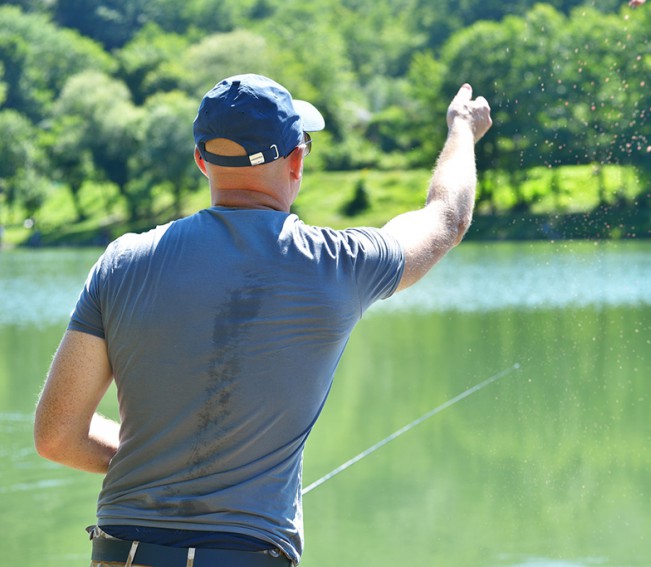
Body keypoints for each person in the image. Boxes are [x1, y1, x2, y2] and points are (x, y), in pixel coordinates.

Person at [33, 73, 492, 567]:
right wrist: (462, 129)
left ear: (201, 161)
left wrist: (161, 465)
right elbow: (447, 217)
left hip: (122, 554)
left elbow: (57, 435)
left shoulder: (122, 262)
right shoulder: (336, 263)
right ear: (296, 161)